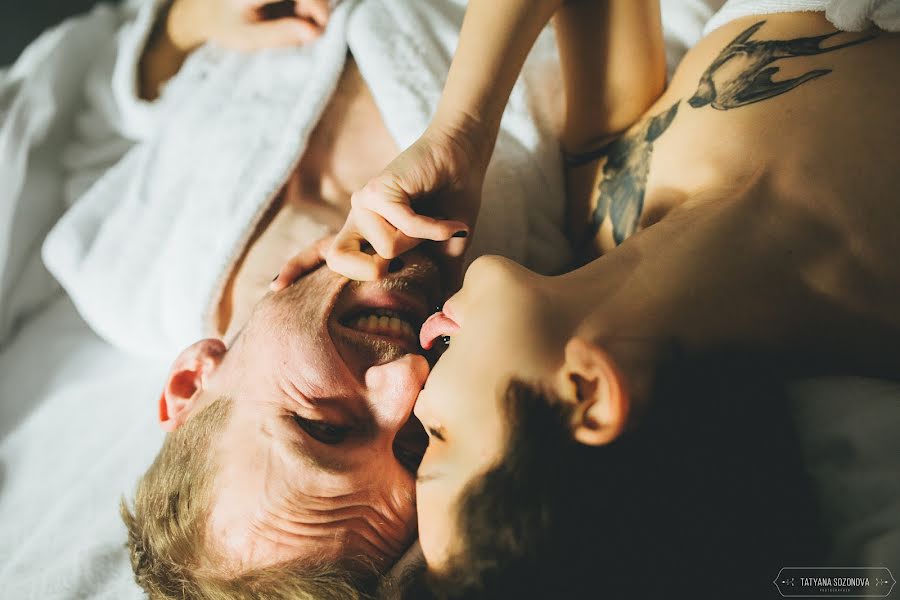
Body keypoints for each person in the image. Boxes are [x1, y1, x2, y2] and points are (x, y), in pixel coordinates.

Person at [296, 0, 900, 595]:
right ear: (587, 395)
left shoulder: (607, 199)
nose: (413, 390)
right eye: (440, 438)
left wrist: (462, 130)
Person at [37, 0, 574, 597]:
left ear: (190, 383)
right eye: (416, 444)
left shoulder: (121, 277)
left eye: (322, 425)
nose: (410, 380)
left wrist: (182, 28)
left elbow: (91, 135)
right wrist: (468, 127)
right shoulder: (524, 259)